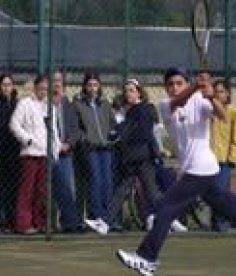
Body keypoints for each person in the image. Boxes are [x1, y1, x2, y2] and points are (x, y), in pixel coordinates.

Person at [115, 67, 236, 275]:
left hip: (202, 169)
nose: (174, 88)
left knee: (165, 210)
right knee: (232, 208)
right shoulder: (165, 105)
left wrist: (211, 96)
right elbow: (178, 101)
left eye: (179, 83)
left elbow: (223, 115)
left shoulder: (199, 101)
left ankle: (146, 258)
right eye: (170, 84)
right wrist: (195, 87)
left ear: (185, 83)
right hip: (194, 170)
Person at [84, 79, 187, 234]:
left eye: (132, 90)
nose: (128, 93)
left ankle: (170, 219)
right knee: (124, 190)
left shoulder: (144, 109)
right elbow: (130, 128)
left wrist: (120, 133)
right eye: (126, 91)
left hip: (143, 158)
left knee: (149, 192)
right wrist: (118, 132)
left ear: (139, 92)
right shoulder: (131, 111)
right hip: (133, 159)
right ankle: (105, 222)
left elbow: (143, 132)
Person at [9, 73, 61, 234]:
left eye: (47, 88)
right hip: (30, 154)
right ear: (36, 87)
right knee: (27, 190)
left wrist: (55, 149)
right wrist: (28, 140)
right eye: (41, 88)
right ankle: (23, 224)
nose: (44, 91)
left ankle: (39, 222)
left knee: (42, 191)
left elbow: (54, 131)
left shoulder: (50, 107)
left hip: (45, 155)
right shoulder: (25, 104)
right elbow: (14, 124)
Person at [73, 71, 116, 222]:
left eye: (95, 85)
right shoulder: (78, 104)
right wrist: (85, 139)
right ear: (85, 86)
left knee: (107, 180)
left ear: (99, 86)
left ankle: (108, 215)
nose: (92, 88)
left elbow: (112, 122)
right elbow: (76, 127)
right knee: (95, 179)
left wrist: (111, 135)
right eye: (89, 85)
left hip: (106, 147)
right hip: (90, 148)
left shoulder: (104, 104)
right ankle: (96, 214)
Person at [209, 79, 236, 232]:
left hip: (224, 160)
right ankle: (217, 221)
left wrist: (232, 159)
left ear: (227, 93)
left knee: (220, 189)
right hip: (208, 160)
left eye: (221, 91)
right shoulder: (209, 111)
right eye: (215, 92)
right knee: (212, 191)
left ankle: (222, 222)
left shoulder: (234, 112)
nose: (218, 95)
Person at [51, 70, 84, 233]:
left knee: (68, 188)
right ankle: (49, 223)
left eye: (59, 80)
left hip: (66, 153)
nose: (57, 83)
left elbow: (75, 129)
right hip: (49, 153)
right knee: (49, 190)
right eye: (54, 80)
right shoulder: (44, 103)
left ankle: (69, 223)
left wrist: (68, 144)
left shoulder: (68, 105)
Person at [0, 73, 21, 233]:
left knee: (14, 187)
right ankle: (3, 220)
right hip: (2, 150)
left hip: (15, 152)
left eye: (9, 84)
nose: (7, 87)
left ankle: (12, 219)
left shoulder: (17, 104)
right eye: (4, 84)